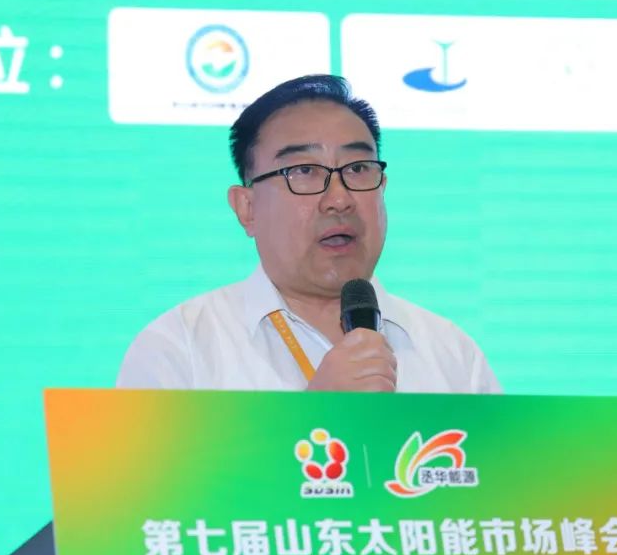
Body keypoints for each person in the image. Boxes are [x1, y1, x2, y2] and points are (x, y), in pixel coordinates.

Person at [116, 74, 500, 394]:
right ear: (247, 208)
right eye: (304, 172)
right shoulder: (178, 349)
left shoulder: (453, 355)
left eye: (358, 168)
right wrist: (318, 413)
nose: (339, 199)